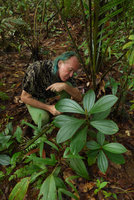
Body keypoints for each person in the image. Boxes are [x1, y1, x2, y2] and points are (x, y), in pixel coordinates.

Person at [21, 51, 82, 126]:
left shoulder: (69, 74)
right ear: (60, 63)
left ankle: (63, 113)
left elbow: (79, 97)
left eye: (74, 72)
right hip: (34, 98)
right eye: (70, 70)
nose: (71, 74)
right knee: (43, 119)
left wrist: (65, 86)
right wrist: (49, 108)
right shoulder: (37, 69)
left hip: (48, 96)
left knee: (68, 85)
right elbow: (24, 97)